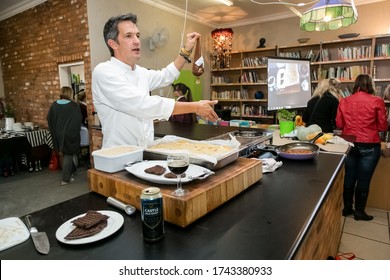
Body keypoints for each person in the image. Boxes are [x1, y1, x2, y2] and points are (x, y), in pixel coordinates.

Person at [92, 13, 219, 148]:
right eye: (129, 36)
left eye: (138, 35)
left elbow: (166, 75)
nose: (137, 41)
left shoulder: (141, 72)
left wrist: (186, 50)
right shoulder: (104, 72)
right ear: (113, 44)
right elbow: (142, 105)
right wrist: (196, 107)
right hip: (118, 158)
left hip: (145, 154)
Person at [336, 74, 388, 221]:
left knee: (349, 177)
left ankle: (347, 208)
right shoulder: (377, 101)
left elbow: (339, 125)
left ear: (356, 84)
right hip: (370, 145)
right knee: (363, 180)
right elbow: (383, 126)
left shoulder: (344, 101)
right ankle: (359, 212)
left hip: (350, 144)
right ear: (370, 85)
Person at [47, 86, 82, 186]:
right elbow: (78, 120)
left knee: (65, 153)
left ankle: (73, 170)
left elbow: (49, 119)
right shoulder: (74, 106)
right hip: (70, 133)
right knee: (69, 154)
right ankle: (65, 179)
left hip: (57, 133)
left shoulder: (54, 105)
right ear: (70, 93)